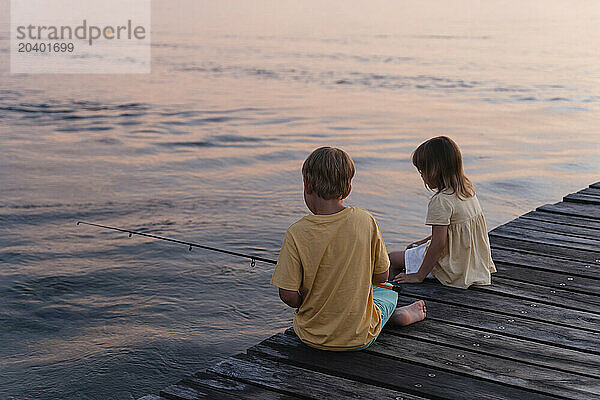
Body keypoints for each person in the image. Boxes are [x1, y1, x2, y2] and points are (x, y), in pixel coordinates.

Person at [271, 147, 426, 351]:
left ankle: (384, 316)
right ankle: (393, 315)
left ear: (307, 186)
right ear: (348, 189)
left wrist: (306, 300)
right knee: (387, 293)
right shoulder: (365, 221)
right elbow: (381, 276)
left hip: (311, 337)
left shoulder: (296, 233)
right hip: (360, 337)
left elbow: (288, 295)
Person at [390, 136, 496, 289]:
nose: (422, 176)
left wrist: (418, 276)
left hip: (450, 266)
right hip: (469, 262)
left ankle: (391, 294)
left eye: (422, 171)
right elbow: (451, 232)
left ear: (434, 171)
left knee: (391, 259)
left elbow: (439, 244)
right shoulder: (467, 189)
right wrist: (421, 243)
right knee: (411, 249)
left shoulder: (441, 201)